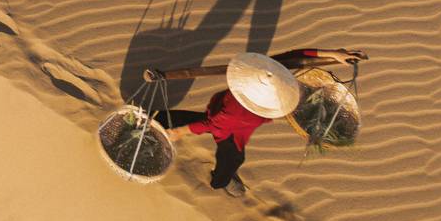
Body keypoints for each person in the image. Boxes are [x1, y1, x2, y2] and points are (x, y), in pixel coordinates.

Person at [143, 48, 367, 196]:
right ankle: (220, 181)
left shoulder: (266, 72)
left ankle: (155, 116)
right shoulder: (238, 115)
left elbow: (295, 56)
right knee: (233, 156)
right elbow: (211, 125)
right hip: (230, 130)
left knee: (199, 119)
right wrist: (181, 133)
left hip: (224, 112)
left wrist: (333, 54)